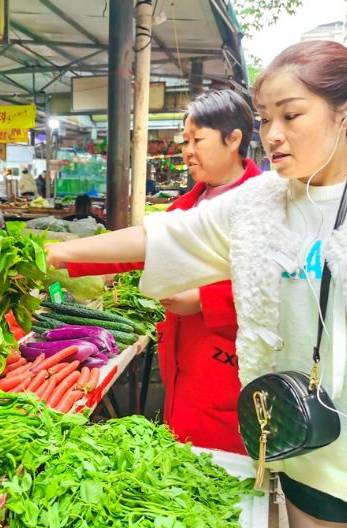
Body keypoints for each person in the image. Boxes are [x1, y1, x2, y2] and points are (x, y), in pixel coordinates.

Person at [47, 41, 347, 527]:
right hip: (311, 442)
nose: (273, 135)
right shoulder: (260, 204)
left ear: (346, 112)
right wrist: (52, 253)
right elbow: (164, 236)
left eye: (291, 115)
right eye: (264, 118)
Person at [66, 90, 260, 452]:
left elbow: (277, 289)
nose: (187, 151)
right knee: (180, 456)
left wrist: (204, 300)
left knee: (220, 467)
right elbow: (146, 246)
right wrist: (63, 261)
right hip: (182, 357)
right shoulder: (191, 202)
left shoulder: (262, 202)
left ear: (234, 139)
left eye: (197, 140)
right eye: (185, 140)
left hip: (224, 358)